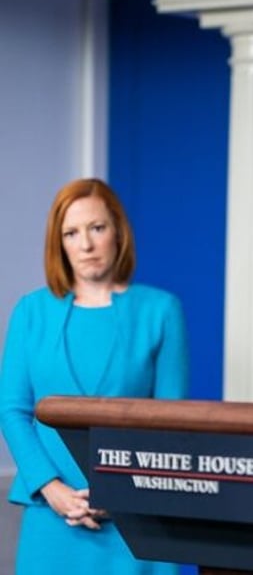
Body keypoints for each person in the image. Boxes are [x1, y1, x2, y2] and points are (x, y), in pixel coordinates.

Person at [0, 178, 189, 574]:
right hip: (52, 514)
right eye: (71, 232)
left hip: (136, 521)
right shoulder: (30, 311)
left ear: (118, 232)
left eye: (96, 228)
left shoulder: (161, 311)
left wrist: (123, 493)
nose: (85, 245)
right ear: (59, 242)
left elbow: (172, 423)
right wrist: (53, 489)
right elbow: (12, 409)